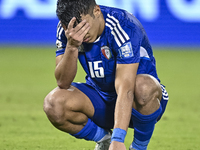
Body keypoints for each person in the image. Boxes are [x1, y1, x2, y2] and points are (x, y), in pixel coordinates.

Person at [43, 0, 169, 149]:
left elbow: (126, 89)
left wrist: (119, 139)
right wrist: (71, 46)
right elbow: (63, 82)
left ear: (96, 11)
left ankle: (138, 147)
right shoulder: (69, 30)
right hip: (102, 99)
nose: (81, 35)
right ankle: (104, 139)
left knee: (143, 87)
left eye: (84, 25)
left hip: (140, 102)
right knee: (54, 103)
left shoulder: (123, 26)